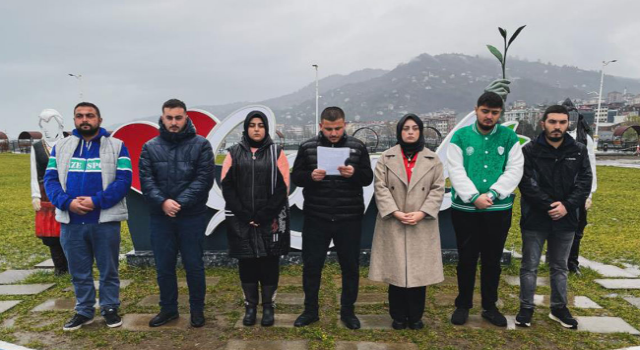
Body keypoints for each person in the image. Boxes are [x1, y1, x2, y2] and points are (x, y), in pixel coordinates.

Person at [44, 102, 132, 331]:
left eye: (90, 115)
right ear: (74, 120)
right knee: (79, 271)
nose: (85, 119)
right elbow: (50, 181)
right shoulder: (60, 147)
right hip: (71, 223)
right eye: (80, 116)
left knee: (108, 269)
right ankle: (84, 310)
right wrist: (67, 203)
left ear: (99, 120)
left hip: (104, 222)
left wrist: (96, 201)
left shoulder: (118, 146)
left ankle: (110, 308)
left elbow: (124, 181)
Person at [291, 106, 373, 329]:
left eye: (337, 128)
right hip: (317, 217)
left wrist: (354, 174)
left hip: (349, 217)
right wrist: (310, 176)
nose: (334, 133)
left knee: (350, 267)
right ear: (321, 126)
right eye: (329, 129)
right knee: (312, 266)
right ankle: (310, 311)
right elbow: (296, 177)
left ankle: (348, 312)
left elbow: (367, 178)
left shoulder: (357, 147)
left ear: (344, 125)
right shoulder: (307, 147)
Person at [447, 91, 524, 327]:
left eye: (494, 112)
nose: (489, 116)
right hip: (465, 210)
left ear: (500, 113)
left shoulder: (509, 138)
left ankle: (489, 307)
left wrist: (491, 194)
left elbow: (514, 169)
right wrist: (473, 197)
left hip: (497, 209)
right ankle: (463, 305)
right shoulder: (459, 137)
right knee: (466, 259)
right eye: (485, 111)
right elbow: (455, 170)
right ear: (476, 110)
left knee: (492, 260)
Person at [139, 99, 214, 328]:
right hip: (161, 217)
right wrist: (163, 202)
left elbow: (203, 180)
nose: (173, 122)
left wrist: (178, 203)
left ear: (186, 117)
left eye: (178, 118)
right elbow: (146, 180)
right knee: (164, 266)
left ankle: (197, 311)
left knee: (194, 265)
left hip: (191, 216)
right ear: (162, 118)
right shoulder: (150, 147)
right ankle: (168, 309)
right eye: (169, 118)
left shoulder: (201, 145)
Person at [516, 105, 592, 329]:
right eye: (552, 122)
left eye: (562, 122)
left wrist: (567, 206)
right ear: (543, 124)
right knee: (529, 265)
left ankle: (559, 308)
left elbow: (584, 181)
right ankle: (526, 308)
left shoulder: (578, 150)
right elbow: (526, 183)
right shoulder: (529, 150)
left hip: (566, 219)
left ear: (568, 124)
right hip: (535, 218)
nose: (557, 127)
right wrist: (549, 205)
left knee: (560, 266)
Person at [368, 114, 445, 330]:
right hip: (394, 221)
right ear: (399, 132)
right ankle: (398, 316)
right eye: (405, 128)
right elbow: (380, 187)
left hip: (421, 222)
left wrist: (422, 212)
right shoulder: (386, 157)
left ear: (421, 132)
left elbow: (438, 189)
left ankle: (416, 316)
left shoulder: (433, 159)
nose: (410, 132)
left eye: (414, 128)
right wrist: (394, 211)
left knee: (419, 272)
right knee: (396, 272)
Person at [220, 111, 291, 327]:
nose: (257, 129)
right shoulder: (233, 153)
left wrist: (264, 214)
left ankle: (268, 306)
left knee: (269, 263)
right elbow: (227, 186)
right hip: (242, 220)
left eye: (261, 125)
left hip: (270, 220)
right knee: (247, 263)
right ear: (246, 129)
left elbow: (283, 187)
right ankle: (250, 306)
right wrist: (244, 214)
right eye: (252, 125)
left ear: (266, 128)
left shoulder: (276, 153)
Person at [31, 109, 68, 276]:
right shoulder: (37, 147)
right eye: (43, 124)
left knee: (69, 229)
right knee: (51, 232)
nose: (47, 128)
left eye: (50, 124)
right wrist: (35, 196)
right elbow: (34, 173)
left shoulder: (70, 142)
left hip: (68, 190)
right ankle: (60, 267)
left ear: (59, 124)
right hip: (46, 192)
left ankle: (75, 264)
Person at [563, 100, 597, 276]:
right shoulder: (552, 136)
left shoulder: (585, 139)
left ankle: (572, 261)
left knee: (578, 227)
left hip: (578, 189)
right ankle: (556, 258)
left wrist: (589, 194)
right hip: (557, 189)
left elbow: (591, 166)